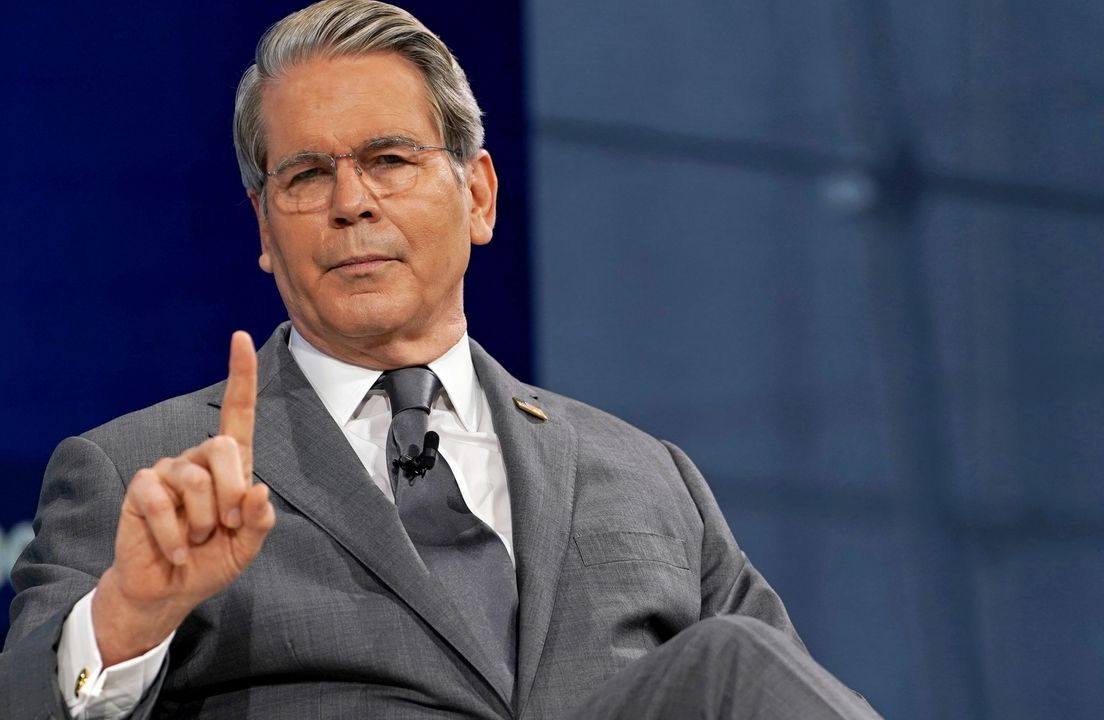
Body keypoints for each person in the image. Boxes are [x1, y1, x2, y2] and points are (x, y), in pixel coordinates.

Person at [1, 2, 881, 718]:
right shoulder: (139, 473)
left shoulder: (651, 476)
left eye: (389, 159)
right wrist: (129, 616)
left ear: (480, 196)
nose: (351, 202)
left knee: (732, 661)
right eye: (305, 176)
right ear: (264, 229)